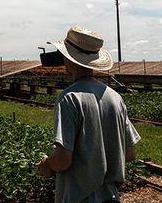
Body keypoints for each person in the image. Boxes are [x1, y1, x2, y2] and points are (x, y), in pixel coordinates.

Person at [37, 26, 141, 203]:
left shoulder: (69, 98)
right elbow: (129, 153)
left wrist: (47, 165)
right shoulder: (115, 97)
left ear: (69, 59)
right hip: (111, 197)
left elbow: (63, 159)